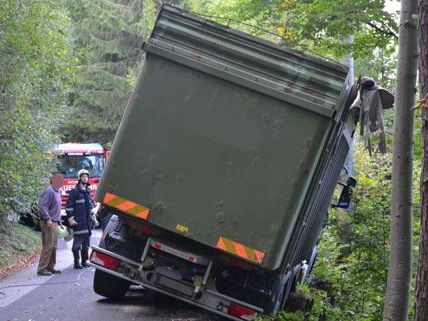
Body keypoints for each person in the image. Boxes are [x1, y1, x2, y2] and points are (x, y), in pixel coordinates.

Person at [66, 169, 99, 269]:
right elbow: (69, 207)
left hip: (88, 223)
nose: (85, 178)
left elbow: (90, 207)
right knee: (76, 246)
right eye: (83, 177)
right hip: (78, 223)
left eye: (86, 177)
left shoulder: (88, 191)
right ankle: (76, 263)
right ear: (79, 178)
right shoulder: (74, 192)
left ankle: (84, 261)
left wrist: (93, 218)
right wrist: (71, 219)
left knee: (86, 245)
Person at [37, 172, 64, 276]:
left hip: (55, 222)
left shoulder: (57, 191)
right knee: (48, 246)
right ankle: (42, 269)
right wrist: (48, 219)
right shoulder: (49, 191)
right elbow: (42, 206)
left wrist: (59, 221)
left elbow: (56, 208)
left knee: (54, 246)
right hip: (48, 222)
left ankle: (50, 267)